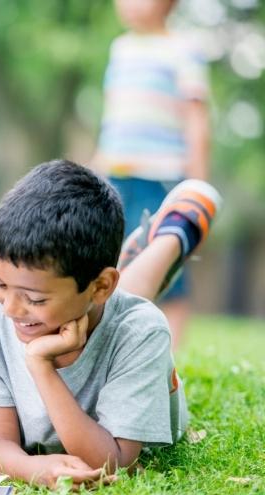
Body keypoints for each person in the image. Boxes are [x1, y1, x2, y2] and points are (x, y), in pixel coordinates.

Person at [0, 160, 221, 489]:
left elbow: (114, 463)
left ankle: (175, 233)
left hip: (113, 307)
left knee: (126, 309)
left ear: (100, 286)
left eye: (35, 298)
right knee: (118, 296)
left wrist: (41, 365)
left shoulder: (141, 332)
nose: (10, 309)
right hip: (97, 293)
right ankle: (135, 258)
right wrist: (30, 469)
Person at [94, 0, 211, 347]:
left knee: (165, 259)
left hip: (160, 174)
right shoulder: (121, 49)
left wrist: (197, 184)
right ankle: (121, 346)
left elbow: (196, 119)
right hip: (116, 175)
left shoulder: (183, 50)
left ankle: (173, 354)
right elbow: (112, 117)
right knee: (117, 261)